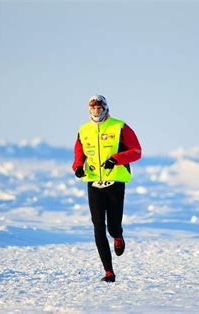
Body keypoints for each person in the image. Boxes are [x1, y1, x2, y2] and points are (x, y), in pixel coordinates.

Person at [72, 95, 142, 282]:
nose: (96, 111)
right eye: (93, 109)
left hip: (115, 182)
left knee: (112, 226)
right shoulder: (83, 130)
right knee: (98, 226)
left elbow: (136, 151)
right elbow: (79, 154)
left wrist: (115, 159)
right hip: (94, 182)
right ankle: (108, 272)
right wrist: (78, 167)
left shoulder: (119, 127)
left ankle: (118, 236)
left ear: (105, 109)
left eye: (99, 108)